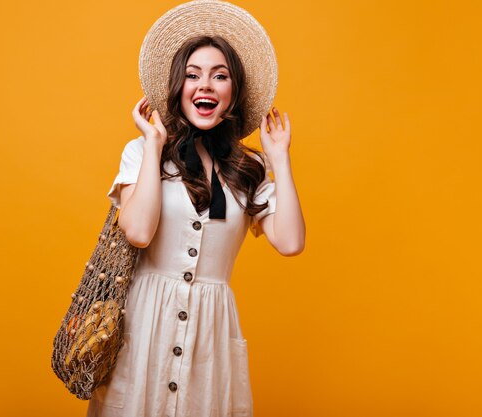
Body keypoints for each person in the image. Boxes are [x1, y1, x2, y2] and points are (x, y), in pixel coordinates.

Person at [86, 1, 305, 416]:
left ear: (233, 93)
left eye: (220, 76)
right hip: (143, 327)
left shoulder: (249, 167)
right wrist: (153, 145)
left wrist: (280, 161)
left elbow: (291, 242)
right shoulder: (143, 152)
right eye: (193, 75)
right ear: (177, 87)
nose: (205, 85)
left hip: (210, 336)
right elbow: (138, 232)